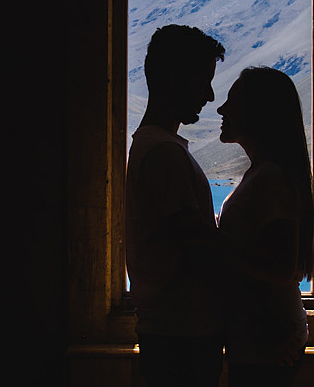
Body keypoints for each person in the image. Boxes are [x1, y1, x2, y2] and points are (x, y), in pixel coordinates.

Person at [125, 25, 228, 387]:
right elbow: (196, 248)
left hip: (171, 333)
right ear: (173, 78)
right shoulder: (165, 154)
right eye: (203, 81)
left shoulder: (152, 145)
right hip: (182, 338)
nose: (210, 94)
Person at [215, 67, 314, 386]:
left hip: (268, 342)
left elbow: (284, 268)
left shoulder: (270, 178)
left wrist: (215, 245)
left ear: (257, 113)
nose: (221, 109)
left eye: (231, 102)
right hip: (264, 339)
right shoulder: (264, 173)